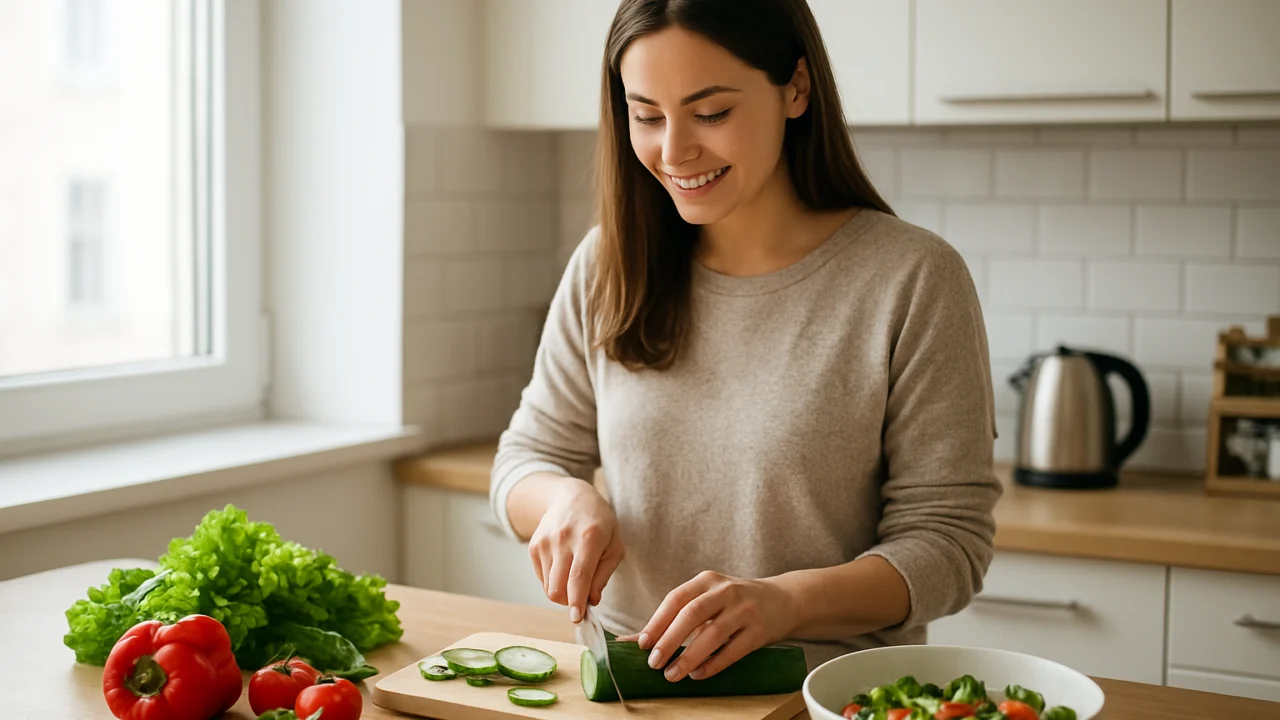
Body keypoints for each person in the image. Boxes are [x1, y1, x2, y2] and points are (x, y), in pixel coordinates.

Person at [489, 0, 1001, 682]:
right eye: (646, 115)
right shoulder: (609, 263)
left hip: (826, 691)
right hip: (630, 687)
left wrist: (783, 604)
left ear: (795, 87)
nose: (674, 151)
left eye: (711, 113)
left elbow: (949, 544)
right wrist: (564, 499)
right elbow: (527, 457)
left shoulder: (911, 278)